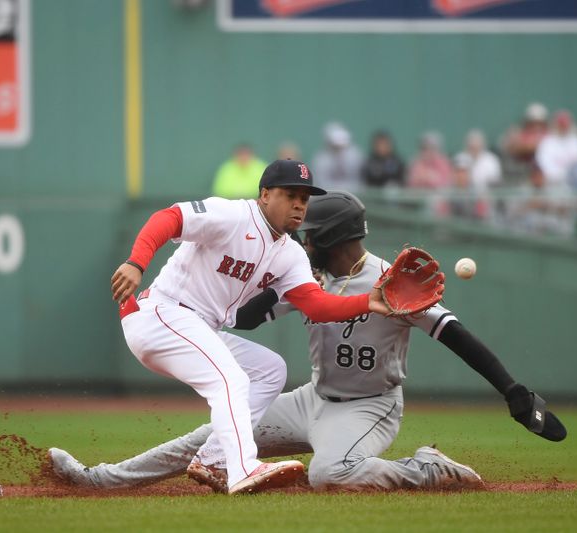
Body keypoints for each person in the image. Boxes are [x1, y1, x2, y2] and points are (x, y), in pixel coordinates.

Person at [49, 192, 566, 493]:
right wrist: (249, 279)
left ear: (335, 241)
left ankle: (423, 467)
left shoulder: (395, 283)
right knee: (215, 433)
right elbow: (251, 319)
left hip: (369, 407)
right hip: (311, 399)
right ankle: (101, 479)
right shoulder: (305, 279)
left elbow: (458, 337)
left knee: (328, 474)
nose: (302, 241)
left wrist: (512, 389)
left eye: (311, 236)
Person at [73, 162, 397, 495]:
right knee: (231, 379)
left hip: (198, 327)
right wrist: (136, 262)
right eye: (290, 195)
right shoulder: (230, 216)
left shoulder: (290, 254)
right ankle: (242, 467)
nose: (299, 204)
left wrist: (367, 302)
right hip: (161, 315)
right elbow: (169, 218)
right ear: (265, 194)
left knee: (270, 370)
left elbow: (316, 304)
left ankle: (213, 459)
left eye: (304, 198)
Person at [535, 110, 577, 186]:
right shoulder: (547, 142)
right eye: (560, 124)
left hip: (574, 184)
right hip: (551, 183)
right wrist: (557, 176)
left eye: (565, 124)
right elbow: (543, 164)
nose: (563, 127)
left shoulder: (576, 142)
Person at [311, 122, 363, 192]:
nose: (339, 149)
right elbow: (321, 183)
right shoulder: (321, 160)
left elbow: (358, 181)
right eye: (335, 146)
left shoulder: (355, 156)